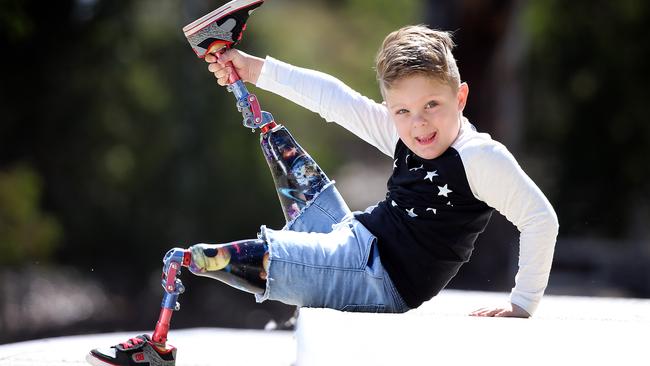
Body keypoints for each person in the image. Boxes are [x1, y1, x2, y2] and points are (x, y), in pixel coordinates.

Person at [87, 24, 558, 366]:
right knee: (281, 147)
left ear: (461, 98)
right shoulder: (403, 130)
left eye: (432, 105)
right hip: (353, 238)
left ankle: (156, 349)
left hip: (378, 278)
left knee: (191, 258)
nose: (418, 125)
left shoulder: (479, 158)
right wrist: (251, 68)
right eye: (403, 110)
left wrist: (522, 302)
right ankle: (234, 74)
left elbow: (540, 218)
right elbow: (333, 98)